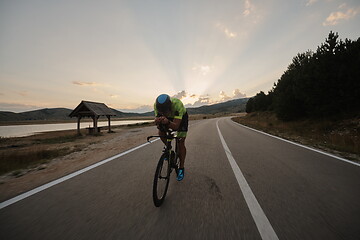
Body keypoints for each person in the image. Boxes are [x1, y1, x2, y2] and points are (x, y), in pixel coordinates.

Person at [154, 94, 188, 181]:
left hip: (181, 118)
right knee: (161, 132)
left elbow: (176, 126)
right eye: (162, 112)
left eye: (164, 112)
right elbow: (159, 126)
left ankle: (181, 168)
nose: (163, 114)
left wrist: (168, 122)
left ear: (169, 107)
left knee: (180, 142)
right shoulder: (156, 106)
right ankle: (169, 150)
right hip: (169, 117)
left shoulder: (177, 105)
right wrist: (158, 122)